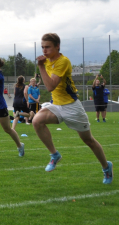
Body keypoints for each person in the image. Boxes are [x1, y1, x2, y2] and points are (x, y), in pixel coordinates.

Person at [33, 33, 113, 183]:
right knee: (37, 121)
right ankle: (54, 155)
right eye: (42, 47)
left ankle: (106, 167)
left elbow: (50, 86)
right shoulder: (47, 61)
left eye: (48, 47)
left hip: (72, 107)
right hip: (56, 105)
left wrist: (41, 67)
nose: (44, 50)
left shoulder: (63, 61)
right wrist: (43, 66)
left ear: (57, 46)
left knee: (89, 141)